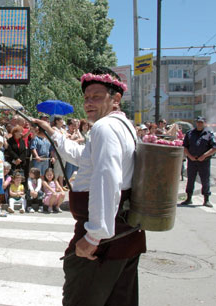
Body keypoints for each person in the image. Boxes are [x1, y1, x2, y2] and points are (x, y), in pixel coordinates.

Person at [34, 67, 146, 306]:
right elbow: (87, 159)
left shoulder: (105, 128)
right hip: (125, 235)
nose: (89, 103)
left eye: (97, 96)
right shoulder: (123, 126)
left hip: (105, 242)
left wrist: (94, 236)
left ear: (115, 99)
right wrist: (54, 134)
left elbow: (107, 179)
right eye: (86, 98)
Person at [181, 116, 216, 207]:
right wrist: (190, 156)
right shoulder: (190, 134)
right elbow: (184, 147)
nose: (199, 124)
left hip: (204, 161)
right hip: (192, 160)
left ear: (204, 123)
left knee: (205, 180)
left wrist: (204, 156)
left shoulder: (209, 134)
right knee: (190, 180)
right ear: (196, 123)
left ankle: (206, 199)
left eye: (201, 122)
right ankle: (189, 198)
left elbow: (214, 148)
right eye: (198, 122)